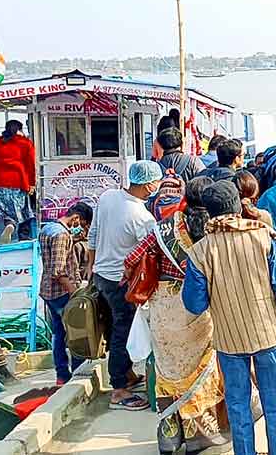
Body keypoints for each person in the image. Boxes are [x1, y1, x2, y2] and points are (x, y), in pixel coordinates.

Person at [183, 181, 276, 455]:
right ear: (238, 208)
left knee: (238, 406)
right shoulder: (264, 238)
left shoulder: (200, 252)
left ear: (210, 212)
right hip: (268, 334)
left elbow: (194, 304)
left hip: (229, 339)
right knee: (275, 402)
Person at [123, 176, 229, 451]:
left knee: (167, 370)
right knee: (202, 371)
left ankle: (169, 436)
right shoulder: (215, 229)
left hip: (166, 309)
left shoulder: (164, 229)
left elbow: (132, 258)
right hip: (200, 308)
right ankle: (199, 436)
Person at [87, 160, 162, 410]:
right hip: (121, 281)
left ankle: (127, 375)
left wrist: (90, 264)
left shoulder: (108, 197)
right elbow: (147, 256)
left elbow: (93, 233)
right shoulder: (143, 217)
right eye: (158, 182)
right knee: (123, 332)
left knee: (113, 329)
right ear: (149, 185)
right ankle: (118, 390)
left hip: (101, 275)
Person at [39, 202, 94, 385]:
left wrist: (75, 239)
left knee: (58, 333)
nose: (82, 228)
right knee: (76, 332)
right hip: (62, 292)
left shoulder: (48, 228)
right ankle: (77, 372)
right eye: (83, 224)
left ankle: (62, 374)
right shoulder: (61, 235)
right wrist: (75, 294)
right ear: (76, 218)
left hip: (48, 292)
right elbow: (58, 271)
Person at [0, 120, 36, 243]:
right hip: (18, 182)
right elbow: (31, 165)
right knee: (24, 209)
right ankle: (23, 236)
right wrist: (32, 183)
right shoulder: (25, 143)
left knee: (6, 211)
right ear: (19, 129)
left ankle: (10, 225)